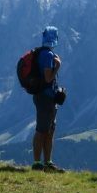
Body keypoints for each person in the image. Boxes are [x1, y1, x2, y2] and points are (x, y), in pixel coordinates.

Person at [31, 26, 65, 173]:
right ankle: (38, 163)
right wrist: (57, 66)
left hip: (47, 97)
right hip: (45, 98)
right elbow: (48, 77)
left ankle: (47, 163)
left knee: (49, 130)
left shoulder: (44, 53)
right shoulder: (47, 55)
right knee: (42, 130)